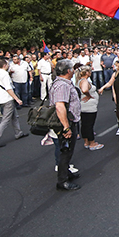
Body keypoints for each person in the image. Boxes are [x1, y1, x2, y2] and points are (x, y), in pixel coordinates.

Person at [50, 59, 81, 191]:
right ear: (68, 71)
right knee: (65, 152)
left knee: (68, 151)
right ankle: (62, 181)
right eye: (72, 69)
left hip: (70, 121)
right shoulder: (62, 85)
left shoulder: (64, 83)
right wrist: (66, 127)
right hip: (64, 123)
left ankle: (67, 173)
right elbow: (60, 106)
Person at [0, 58, 29, 147]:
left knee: (14, 116)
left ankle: (18, 132)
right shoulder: (5, 75)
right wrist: (17, 99)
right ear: (4, 65)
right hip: (7, 99)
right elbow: (8, 88)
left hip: (0, 99)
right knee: (5, 120)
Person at [77, 66, 103, 151]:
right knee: (89, 125)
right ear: (87, 73)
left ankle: (86, 141)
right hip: (88, 106)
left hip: (84, 106)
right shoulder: (84, 81)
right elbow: (84, 90)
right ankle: (92, 143)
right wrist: (89, 95)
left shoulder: (80, 81)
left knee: (85, 124)